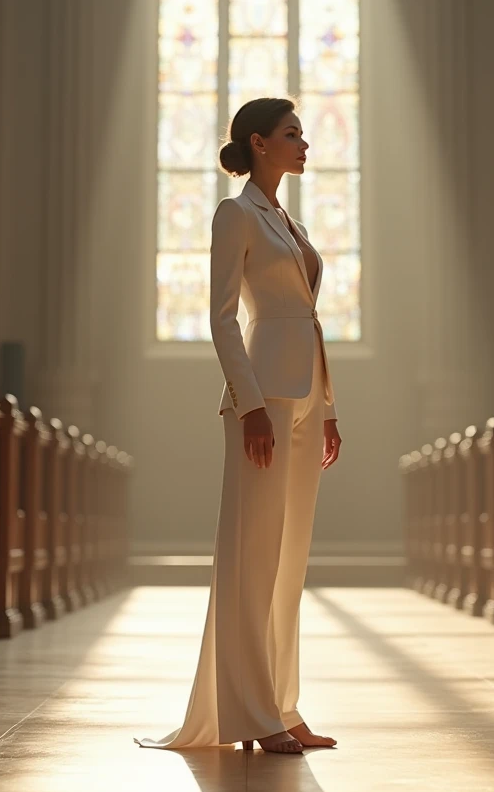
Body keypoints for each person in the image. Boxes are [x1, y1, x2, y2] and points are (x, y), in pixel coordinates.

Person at [134, 97, 343, 754]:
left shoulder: (289, 219)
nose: (304, 143)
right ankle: (251, 714)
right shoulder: (236, 213)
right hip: (264, 401)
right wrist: (249, 404)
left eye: (302, 133)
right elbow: (223, 316)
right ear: (257, 144)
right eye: (292, 134)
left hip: (307, 396)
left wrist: (330, 410)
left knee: (290, 559)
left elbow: (307, 319)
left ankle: (282, 703)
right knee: (254, 555)